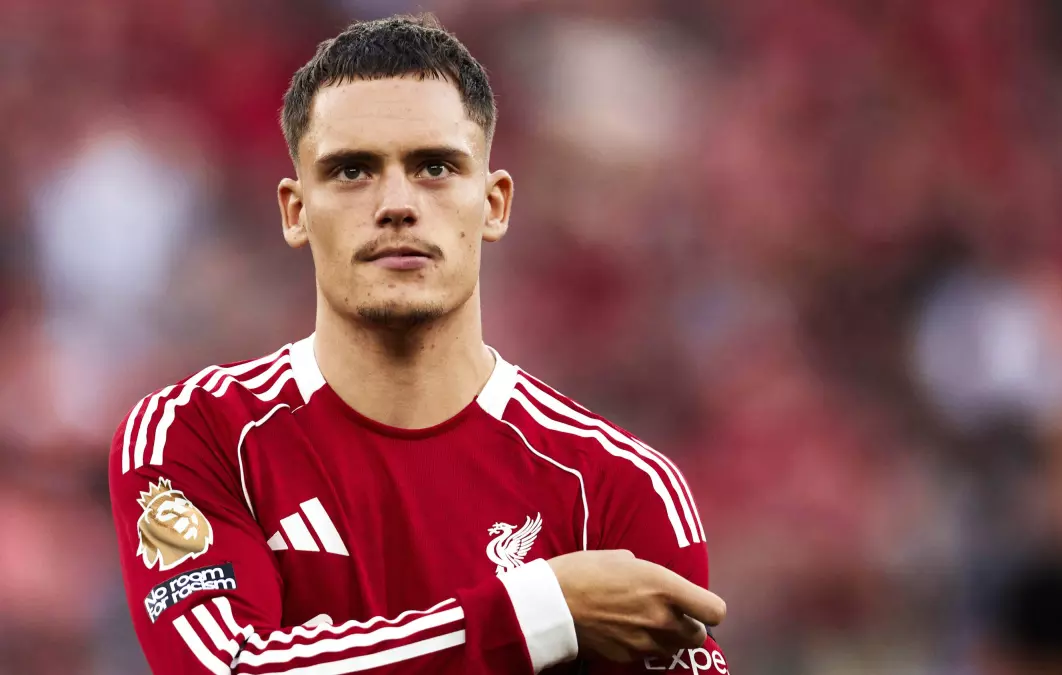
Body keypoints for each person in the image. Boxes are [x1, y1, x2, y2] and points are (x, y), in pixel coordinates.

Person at [109, 13, 729, 675]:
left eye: (434, 166)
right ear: (296, 211)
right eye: (352, 171)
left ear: (494, 204)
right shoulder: (197, 434)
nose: (396, 204)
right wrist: (540, 613)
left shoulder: (616, 487)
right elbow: (228, 667)